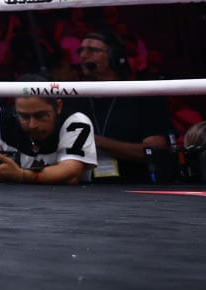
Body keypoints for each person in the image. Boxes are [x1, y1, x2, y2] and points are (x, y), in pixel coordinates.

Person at [74, 30, 173, 182]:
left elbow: (155, 149)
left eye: (93, 50)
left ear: (114, 57)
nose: (83, 56)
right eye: (81, 50)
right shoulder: (73, 96)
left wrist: (101, 142)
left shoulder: (141, 96)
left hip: (134, 185)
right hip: (84, 187)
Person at [0, 89, 97, 185]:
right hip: (10, 205)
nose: (32, 125)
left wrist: (21, 175)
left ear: (58, 106)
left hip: (66, 203)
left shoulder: (75, 122)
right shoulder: (1, 119)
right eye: (24, 117)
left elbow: (71, 172)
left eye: (40, 116)